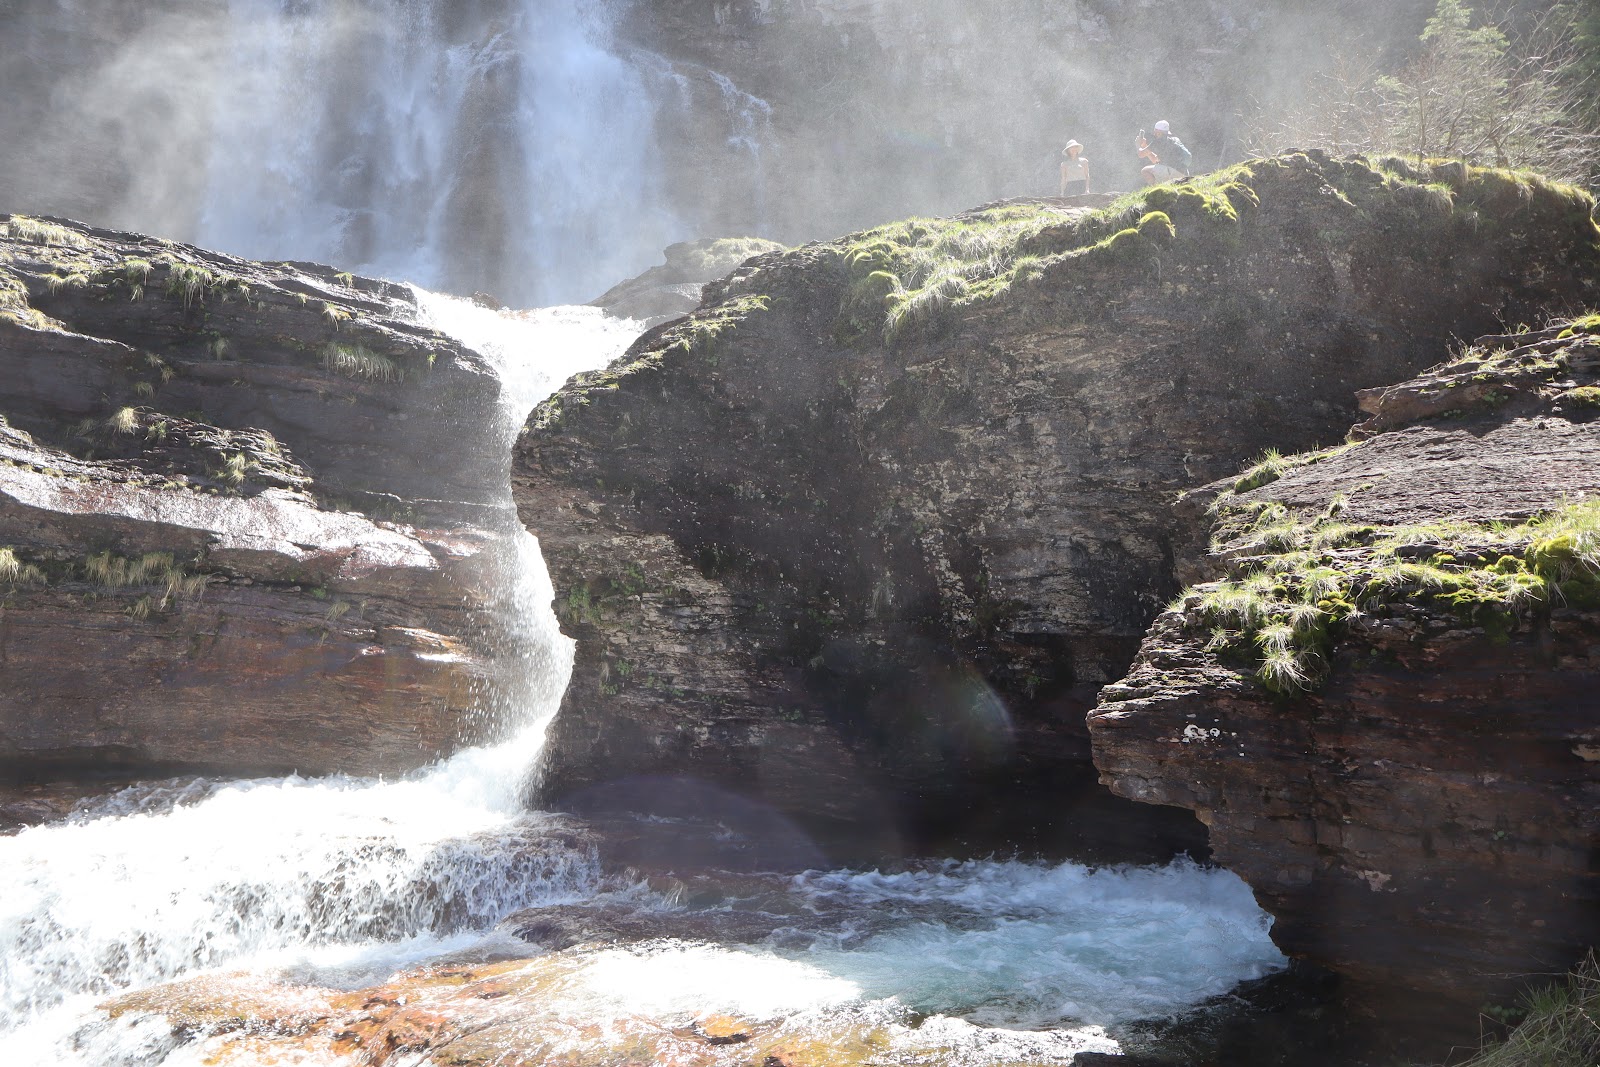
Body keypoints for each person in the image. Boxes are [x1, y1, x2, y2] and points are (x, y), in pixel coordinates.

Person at [1136, 120, 1192, 185]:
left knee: (1145, 171)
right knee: (1157, 168)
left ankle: (1156, 191)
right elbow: (1155, 160)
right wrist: (1144, 146)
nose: (1154, 134)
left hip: (1173, 171)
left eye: (1155, 132)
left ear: (1159, 132)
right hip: (1183, 173)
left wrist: (1137, 144)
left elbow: (1140, 154)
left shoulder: (1158, 141)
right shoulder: (1175, 140)